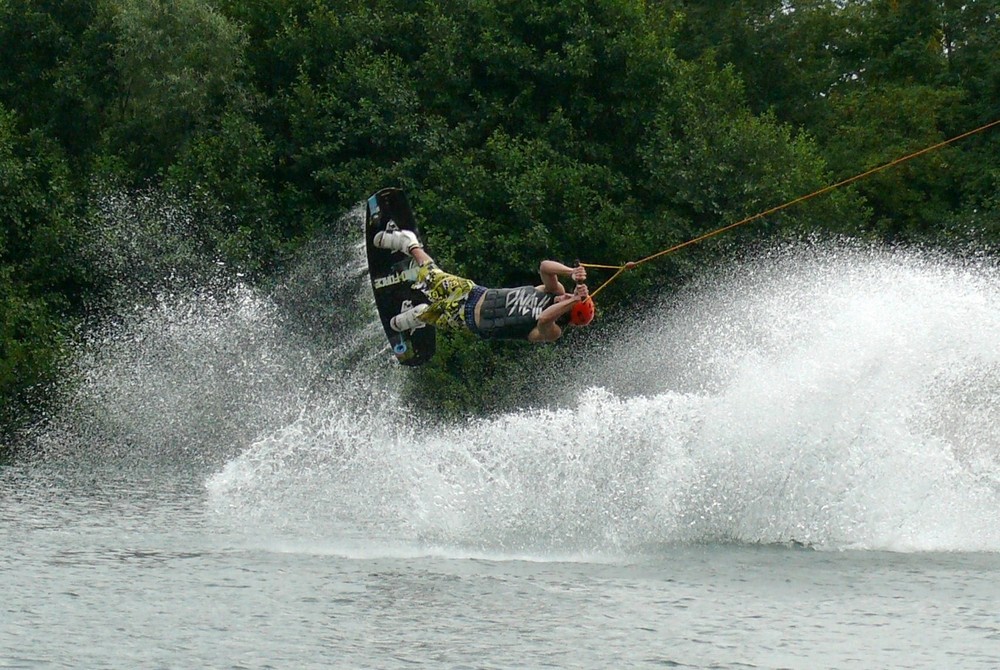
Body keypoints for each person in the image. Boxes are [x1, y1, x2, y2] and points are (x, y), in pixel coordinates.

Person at [374, 226, 594, 342]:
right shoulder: (554, 290)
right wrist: (570, 272)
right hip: (473, 295)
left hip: (470, 322)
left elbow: (544, 317)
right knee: (431, 276)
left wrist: (575, 298)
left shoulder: (552, 331)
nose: (565, 296)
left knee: (433, 315)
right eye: (568, 296)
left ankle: (419, 314)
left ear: (569, 313)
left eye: (569, 301)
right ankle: (410, 243)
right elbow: (545, 266)